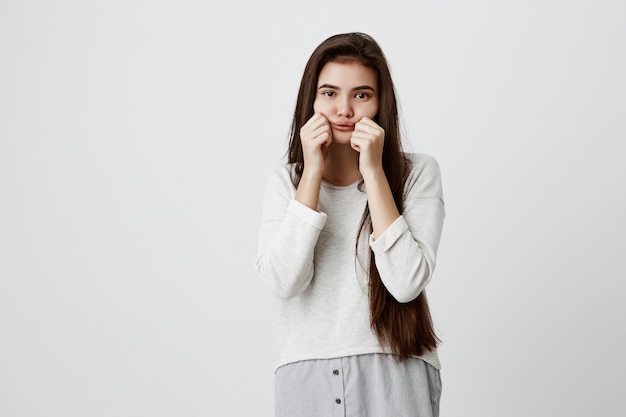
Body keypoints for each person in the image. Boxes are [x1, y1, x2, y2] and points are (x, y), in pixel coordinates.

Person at [255, 32, 445, 417]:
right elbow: (282, 281)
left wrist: (373, 173)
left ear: (380, 103)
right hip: (304, 369)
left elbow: (407, 283)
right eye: (329, 93)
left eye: (361, 95)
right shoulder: (286, 181)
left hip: (396, 367)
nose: (344, 110)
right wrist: (311, 175)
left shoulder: (417, 173)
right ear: (311, 99)